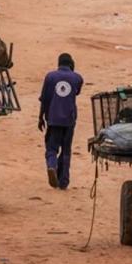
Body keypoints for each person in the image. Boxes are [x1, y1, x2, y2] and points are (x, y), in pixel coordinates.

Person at [38, 53, 83, 190]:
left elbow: (45, 99)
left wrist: (41, 117)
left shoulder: (50, 77)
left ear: (58, 64)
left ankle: (52, 166)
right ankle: (64, 181)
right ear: (71, 64)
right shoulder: (78, 78)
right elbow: (76, 93)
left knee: (51, 148)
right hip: (69, 119)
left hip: (53, 118)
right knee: (66, 150)